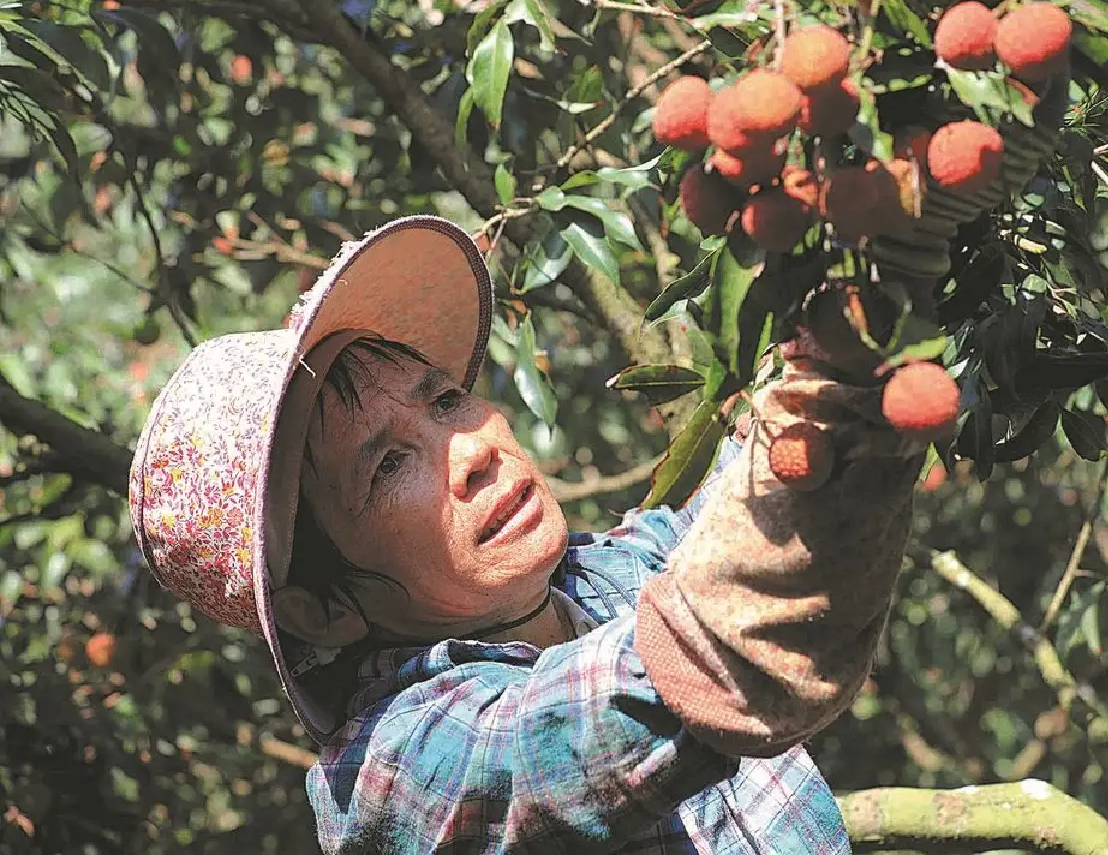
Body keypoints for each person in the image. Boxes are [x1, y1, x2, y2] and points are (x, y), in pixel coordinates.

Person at [128, 215, 930, 853]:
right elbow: (639, 696)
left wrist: (871, 275)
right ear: (321, 611)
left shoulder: (616, 571)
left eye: (444, 399)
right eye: (386, 467)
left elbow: (758, 482)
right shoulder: (395, 772)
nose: (473, 450)